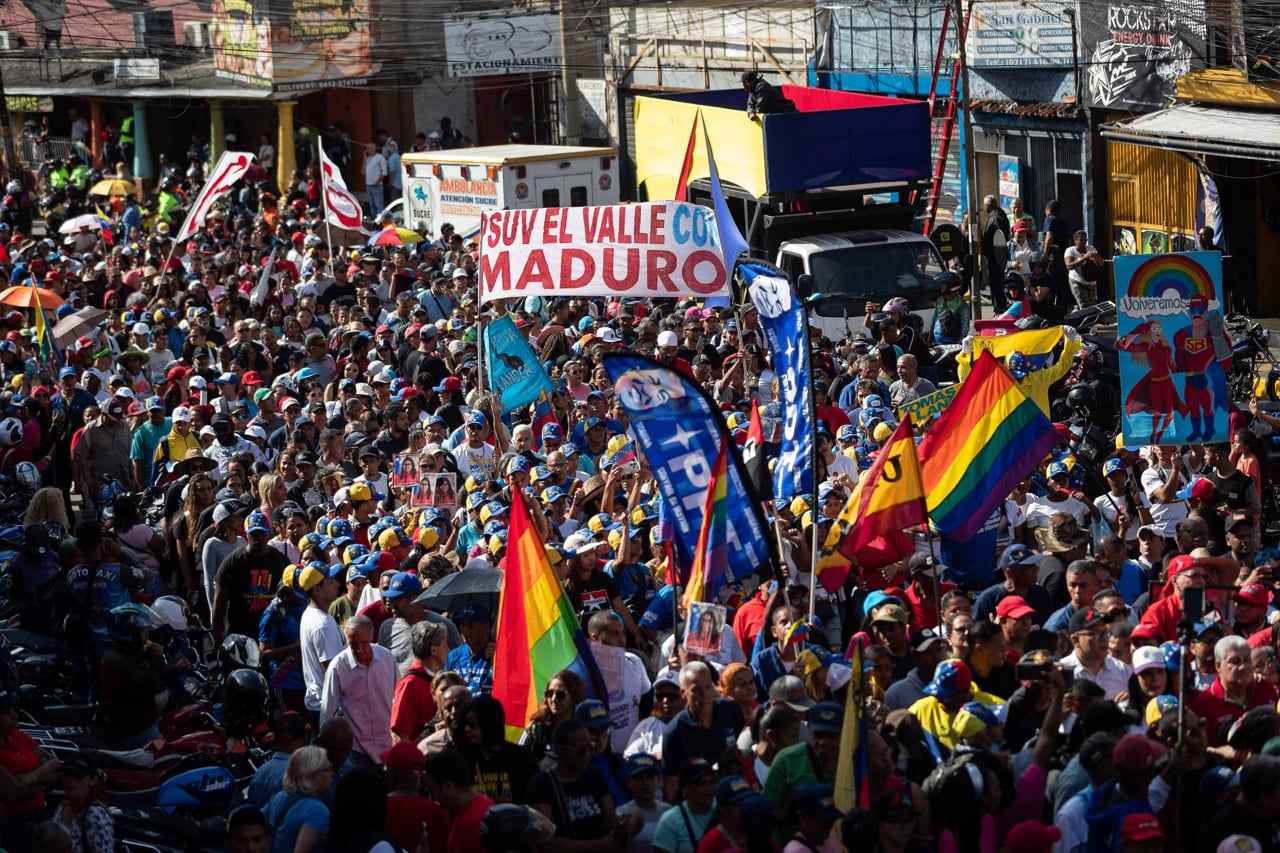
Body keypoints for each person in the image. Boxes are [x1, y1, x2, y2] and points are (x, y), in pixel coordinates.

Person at [320, 614, 397, 766]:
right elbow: (327, 712)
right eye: (353, 644)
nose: (360, 650)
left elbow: (399, 696)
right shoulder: (338, 667)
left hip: (389, 744)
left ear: (372, 637)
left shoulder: (387, 658)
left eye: (364, 643)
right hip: (357, 750)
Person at [424, 750, 495, 853]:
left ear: (447, 786)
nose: (433, 797)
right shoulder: (480, 804)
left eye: (431, 789)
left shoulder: (470, 824)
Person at [263, 746, 332, 853]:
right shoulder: (318, 811)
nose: (332, 773)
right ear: (313, 775)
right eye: (328, 769)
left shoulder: (278, 797)